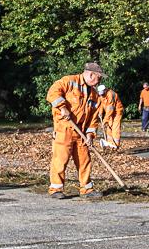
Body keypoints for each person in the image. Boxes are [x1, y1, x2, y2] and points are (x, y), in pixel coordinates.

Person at [46, 62, 103, 199]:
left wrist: (90, 134)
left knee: (85, 161)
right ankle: (56, 189)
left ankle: (87, 189)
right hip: (64, 128)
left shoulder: (94, 95)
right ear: (91, 74)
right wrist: (62, 107)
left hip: (81, 132)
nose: (99, 81)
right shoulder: (69, 81)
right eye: (99, 77)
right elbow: (52, 93)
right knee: (60, 159)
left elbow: (93, 118)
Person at [95, 83, 123, 150]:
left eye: (102, 94)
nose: (101, 95)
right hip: (109, 114)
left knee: (115, 129)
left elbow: (110, 109)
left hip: (117, 113)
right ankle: (110, 144)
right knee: (109, 128)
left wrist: (104, 121)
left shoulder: (111, 94)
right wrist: (100, 112)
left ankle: (116, 146)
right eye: (100, 94)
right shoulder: (101, 95)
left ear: (105, 90)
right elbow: (102, 104)